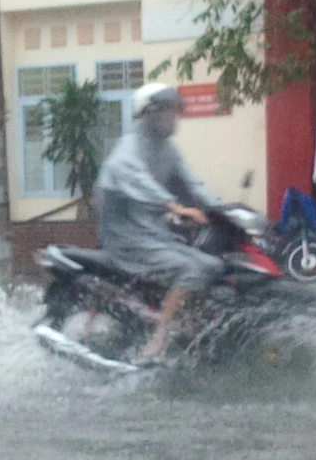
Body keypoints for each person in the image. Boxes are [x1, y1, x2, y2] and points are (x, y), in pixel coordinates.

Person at [92, 83, 225, 362]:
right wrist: (174, 206)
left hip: (154, 233)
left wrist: (222, 209)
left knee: (213, 264)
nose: (172, 118)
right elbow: (135, 178)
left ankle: (187, 323)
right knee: (193, 267)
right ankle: (160, 337)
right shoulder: (130, 146)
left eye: (174, 112)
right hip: (127, 238)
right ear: (148, 114)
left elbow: (193, 184)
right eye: (166, 111)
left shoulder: (168, 150)